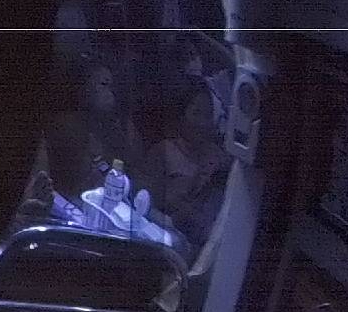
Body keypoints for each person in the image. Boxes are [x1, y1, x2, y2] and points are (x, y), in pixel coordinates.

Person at [147, 78, 232, 247]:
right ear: (181, 114)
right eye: (196, 113)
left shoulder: (219, 157)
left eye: (208, 115)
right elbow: (146, 203)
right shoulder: (163, 152)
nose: (202, 122)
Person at [44, 60, 144, 201]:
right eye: (104, 84)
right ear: (84, 86)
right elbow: (79, 184)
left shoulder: (115, 126)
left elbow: (135, 173)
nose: (111, 93)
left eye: (112, 87)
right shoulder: (66, 125)